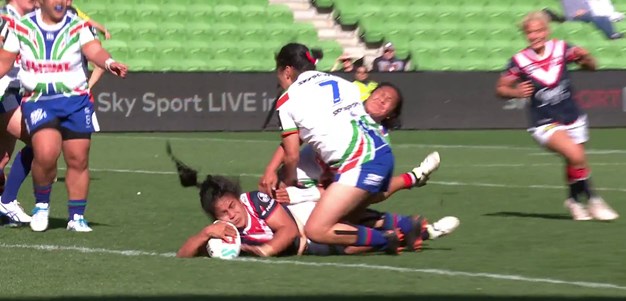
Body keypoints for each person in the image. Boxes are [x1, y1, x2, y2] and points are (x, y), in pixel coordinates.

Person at [268, 42, 414, 255]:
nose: (279, 81)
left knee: (316, 230)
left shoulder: (287, 99)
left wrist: (286, 184)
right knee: (343, 219)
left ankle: (387, 239)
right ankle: (405, 226)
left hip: (360, 163)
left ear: (287, 70)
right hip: (381, 152)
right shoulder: (342, 82)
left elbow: (291, 156)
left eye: (278, 74)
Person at [0, 0, 128, 232]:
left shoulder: (74, 23)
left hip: (64, 99)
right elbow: (4, 60)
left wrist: (108, 62)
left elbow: (93, 48)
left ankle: (74, 216)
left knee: (72, 157)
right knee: (43, 150)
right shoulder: (15, 23)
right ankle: (29, 204)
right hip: (24, 97)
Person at [170, 156, 459, 258]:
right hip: (308, 240)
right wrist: (206, 233)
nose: (231, 215)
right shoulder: (224, 231)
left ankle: (415, 196)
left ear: (236, 197)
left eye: (231, 206)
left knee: (366, 207)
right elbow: (183, 255)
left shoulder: (255, 201)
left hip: (307, 219)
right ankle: (414, 233)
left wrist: (263, 250)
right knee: (359, 238)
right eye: (222, 214)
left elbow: (284, 230)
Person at [495, 11, 618, 221]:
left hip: (572, 115)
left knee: (574, 161)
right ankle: (594, 201)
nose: (534, 36)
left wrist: (586, 58)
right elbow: (501, 88)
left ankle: (573, 201)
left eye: (538, 31)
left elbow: (591, 67)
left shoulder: (562, 49)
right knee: (577, 156)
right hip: (544, 122)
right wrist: (515, 92)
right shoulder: (519, 61)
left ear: (546, 31)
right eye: (529, 33)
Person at [544, 0, 623, 39]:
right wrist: (577, 11)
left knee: (598, 14)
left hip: (587, 12)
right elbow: (572, 9)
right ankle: (611, 34)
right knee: (598, 16)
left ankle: (611, 32)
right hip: (577, 14)